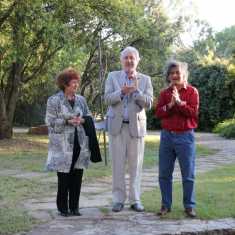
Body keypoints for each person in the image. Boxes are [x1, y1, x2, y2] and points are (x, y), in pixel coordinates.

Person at [45, 68, 101, 217]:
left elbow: (88, 117)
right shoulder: (54, 100)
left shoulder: (81, 100)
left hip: (80, 144)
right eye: (73, 82)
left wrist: (81, 120)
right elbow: (49, 122)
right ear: (65, 83)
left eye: (77, 82)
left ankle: (75, 207)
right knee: (64, 177)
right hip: (62, 146)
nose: (76, 85)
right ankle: (63, 208)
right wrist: (66, 121)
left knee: (77, 176)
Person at [104, 46, 153, 212]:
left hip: (136, 128)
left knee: (135, 166)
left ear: (137, 60)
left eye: (132, 58)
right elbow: (107, 99)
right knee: (117, 165)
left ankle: (135, 200)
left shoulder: (145, 79)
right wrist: (122, 92)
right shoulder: (112, 76)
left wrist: (137, 91)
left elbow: (149, 103)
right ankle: (118, 200)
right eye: (126, 58)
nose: (129, 61)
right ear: (121, 60)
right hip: (117, 127)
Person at [155, 60, 199, 218]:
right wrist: (170, 105)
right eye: (171, 73)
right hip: (167, 136)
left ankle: (189, 206)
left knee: (188, 174)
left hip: (185, 136)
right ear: (168, 76)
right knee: (164, 173)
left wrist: (179, 103)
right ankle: (165, 205)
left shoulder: (192, 92)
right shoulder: (164, 93)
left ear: (184, 75)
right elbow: (159, 113)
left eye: (177, 73)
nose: (174, 75)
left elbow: (194, 113)